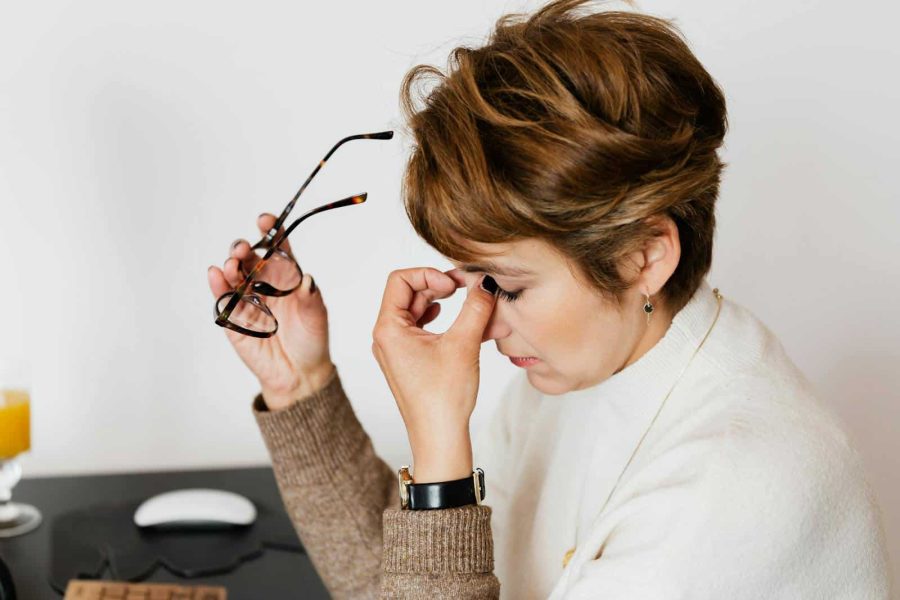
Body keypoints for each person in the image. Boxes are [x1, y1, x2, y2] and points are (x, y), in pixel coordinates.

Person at [206, 0, 893, 597]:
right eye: (472, 279)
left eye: (506, 284)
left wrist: (440, 444)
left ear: (643, 256)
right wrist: (302, 383)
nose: (477, 324)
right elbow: (414, 580)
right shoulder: (581, 372)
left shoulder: (734, 493)